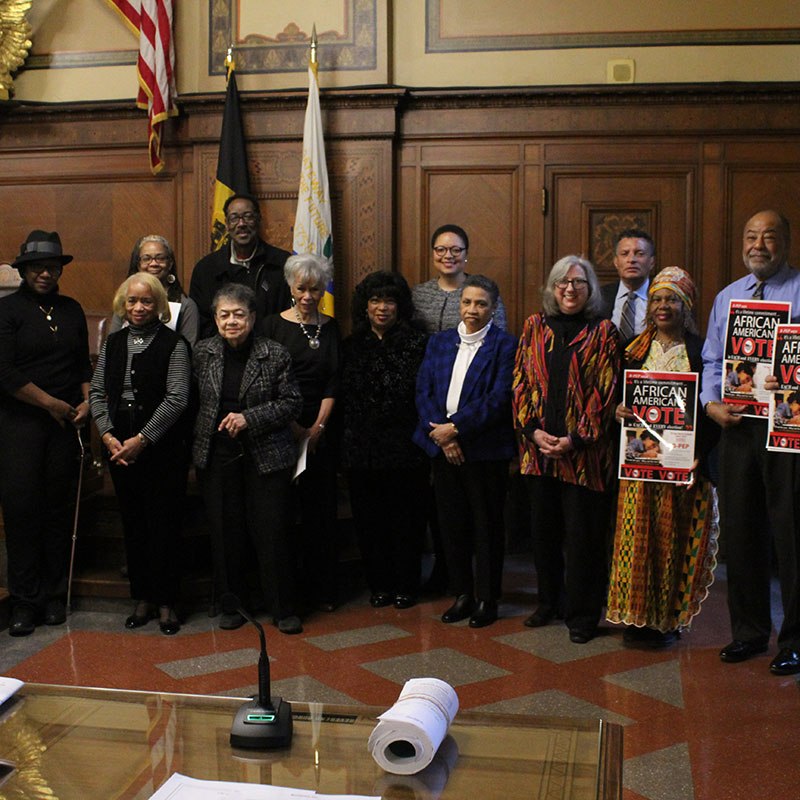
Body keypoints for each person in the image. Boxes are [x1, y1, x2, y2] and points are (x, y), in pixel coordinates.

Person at [702, 209, 800, 676]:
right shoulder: (727, 298)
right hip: (737, 427)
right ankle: (749, 633)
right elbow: (709, 360)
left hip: (789, 430)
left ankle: (795, 640)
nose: (759, 244)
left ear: (786, 242)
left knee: (791, 535)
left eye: (770, 237)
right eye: (751, 236)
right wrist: (710, 404)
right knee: (742, 534)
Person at [607, 267, 719, 648]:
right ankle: (636, 619)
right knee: (635, 540)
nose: (662, 306)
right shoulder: (632, 350)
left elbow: (709, 407)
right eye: (656, 299)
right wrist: (618, 412)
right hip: (640, 465)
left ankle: (667, 620)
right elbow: (615, 400)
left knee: (672, 540)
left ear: (685, 305)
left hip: (681, 467)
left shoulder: (701, 351)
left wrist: (700, 452)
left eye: (671, 299)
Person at [512, 255, 620, 643]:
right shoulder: (533, 327)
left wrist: (575, 439)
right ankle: (548, 603)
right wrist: (533, 432)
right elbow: (521, 381)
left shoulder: (604, 331)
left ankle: (583, 615)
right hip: (538, 452)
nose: (569, 289)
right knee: (543, 533)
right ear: (552, 289)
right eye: (562, 283)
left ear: (590, 290)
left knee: (583, 539)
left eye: (578, 283)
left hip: (585, 457)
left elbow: (606, 392)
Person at [193, 283, 304, 634]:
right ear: (215, 318)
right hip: (217, 455)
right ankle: (233, 606)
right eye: (224, 315)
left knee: (272, 532)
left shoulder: (275, 353)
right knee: (226, 534)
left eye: (239, 314)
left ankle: (282, 608)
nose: (231, 321)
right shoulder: (202, 353)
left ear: (253, 317)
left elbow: (292, 403)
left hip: (266, 455)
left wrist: (249, 418)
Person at [0, 230, 91, 636]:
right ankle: (25, 601)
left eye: (52, 267)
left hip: (66, 426)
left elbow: (83, 368)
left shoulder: (71, 309)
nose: (45, 273)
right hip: (19, 426)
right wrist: (50, 403)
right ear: (23, 269)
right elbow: (5, 373)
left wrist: (89, 402)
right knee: (22, 513)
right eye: (37, 267)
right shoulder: (6, 311)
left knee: (58, 510)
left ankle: (54, 597)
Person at [89, 273, 191, 635]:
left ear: (159, 304)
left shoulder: (174, 344)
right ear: (123, 304)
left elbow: (178, 397)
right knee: (134, 524)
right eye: (132, 301)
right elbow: (98, 393)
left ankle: (167, 603)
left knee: (164, 524)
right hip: (119, 447)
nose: (138, 307)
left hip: (161, 448)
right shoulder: (113, 343)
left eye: (146, 301)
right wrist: (108, 435)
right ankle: (142, 598)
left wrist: (142, 439)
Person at [414, 275, 516, 627]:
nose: (473, 310)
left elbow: (500, 398)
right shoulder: (440, 342)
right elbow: (424, 391)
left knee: (486, 526)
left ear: (493, 308)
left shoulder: (505, 346)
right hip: (443, 450)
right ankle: (462, 594)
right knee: (451, 524)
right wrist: (443, 437)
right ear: (460, 304)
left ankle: (487, 598)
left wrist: (456, 429)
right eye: (467, 302)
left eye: (481, 304)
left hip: (485, 451)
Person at [341, 271, 428, 609]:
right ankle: (379, 585)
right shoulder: (350, 346)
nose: (382, 307)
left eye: (389, 300)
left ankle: (407, 584)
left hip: (407, 450)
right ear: (364, 306)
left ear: (400, 306)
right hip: (361, 452)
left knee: (407, 522)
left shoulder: (419, 343)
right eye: (375, 300)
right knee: (369, 523)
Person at [261, 254, 340, 613]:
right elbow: (267, 383)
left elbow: (334, 380)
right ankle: (288, 592)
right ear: (291, 288)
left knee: (319, 514)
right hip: (280, 430)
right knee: (281, 515)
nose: (309, 295)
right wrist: (294, 428)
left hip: (322, 431)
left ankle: (321, 588)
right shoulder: (271, 326)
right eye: (302, 288)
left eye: (316, 288)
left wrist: (317, 428)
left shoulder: (332, 326)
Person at [190, 193, 291, 339]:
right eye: (234, 218)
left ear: (258, 219)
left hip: (271, 352)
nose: (241, 223)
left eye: (248, 216)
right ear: (226, 223)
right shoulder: (206, 269)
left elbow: (289, 317)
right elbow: (202, 322)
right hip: (222, 354)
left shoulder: (282, 264)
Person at [412, 224, 508, 334]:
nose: (448, 255)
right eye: (441, 249)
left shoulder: (484, 291)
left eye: (456, 250)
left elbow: (499, 334)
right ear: (433, 253)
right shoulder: (418, 293)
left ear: (466, 254)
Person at [109, 234, 199, 347]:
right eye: (146, 258)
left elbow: (189, 350)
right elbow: (112, 344)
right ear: (138, 264)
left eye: (160, 258)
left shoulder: (185, 305)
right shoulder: (126, 300)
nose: (153, 264)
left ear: (170, 263)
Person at [600, 229, 656, 343]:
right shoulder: (599, 297)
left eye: (640, 254)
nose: (631, 260)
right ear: (616, 261)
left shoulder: (664, 297)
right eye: (625, 254)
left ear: (652, 262)